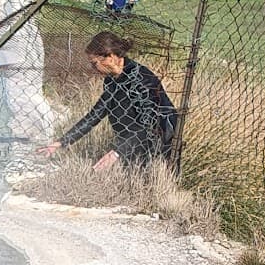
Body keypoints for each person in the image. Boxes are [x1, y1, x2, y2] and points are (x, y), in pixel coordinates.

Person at [42, 30, 177, 171]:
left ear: (111, 57)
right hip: (130, 143)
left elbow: (149, 124)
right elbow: (97, 113)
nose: (93, 68)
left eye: (94, 63)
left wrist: (117, 152)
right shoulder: (111, 80)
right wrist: (61, 142)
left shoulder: (141, 80)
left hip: (158, 143)